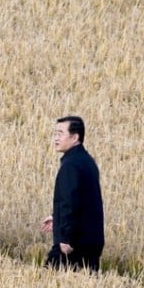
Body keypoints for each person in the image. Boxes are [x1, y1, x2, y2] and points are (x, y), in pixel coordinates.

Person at [41, 115, 105, 272]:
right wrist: (57, 218)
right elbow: (83, 201)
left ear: (75, 137)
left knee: (51, 283)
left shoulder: (70, 165)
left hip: (73, 244)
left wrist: (65, 237)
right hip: (90, 240)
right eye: (55, 133)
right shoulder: (86, 161)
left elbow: (69, 203)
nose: (56, 138)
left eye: (60, 133)